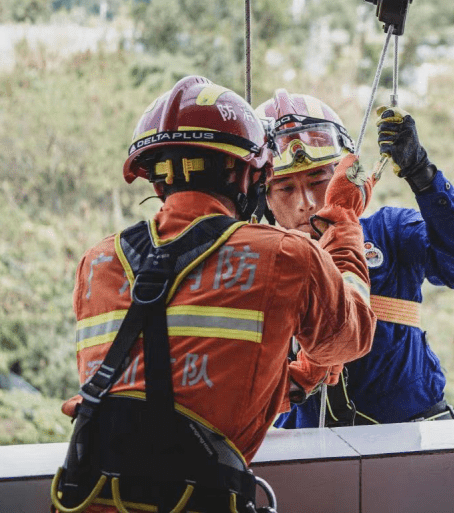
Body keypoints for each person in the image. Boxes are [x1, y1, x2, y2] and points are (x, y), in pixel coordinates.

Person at [52, 76, 376, 513]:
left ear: (155, 180)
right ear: (246, 174)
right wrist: (343, 220)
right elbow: (350, 338)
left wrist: (301, 377)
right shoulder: (284, 255)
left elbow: (173, 392)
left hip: (85, 496)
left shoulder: (98, 263)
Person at [256, 90, 454, 425]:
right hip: (305, 447)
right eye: (285, 189)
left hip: (407, 441)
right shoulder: (250, 261)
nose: (306, 203)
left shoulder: (390, 231)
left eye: (318, 180)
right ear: (262, 198)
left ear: (344, 175)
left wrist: (423, 176)